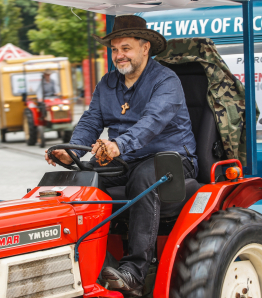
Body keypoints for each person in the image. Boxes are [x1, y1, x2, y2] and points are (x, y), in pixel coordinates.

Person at [45, 15, 198, 296]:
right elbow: (92, 120)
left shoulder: (166, 81)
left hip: (172, 159)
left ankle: (134, 274)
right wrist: (70, 150)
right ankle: (88, 263)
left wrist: (118, 144)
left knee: (143, 179)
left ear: (145, 48)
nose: (118, 55)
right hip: (126, 158)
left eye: (125, 48)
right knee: (79, 181)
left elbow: (152, 122)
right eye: (114, 50)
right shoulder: (108, 83)